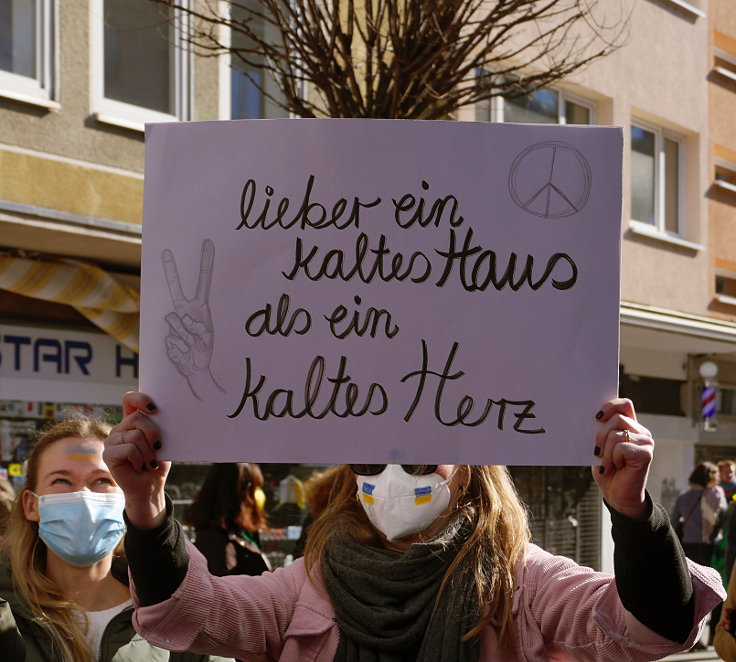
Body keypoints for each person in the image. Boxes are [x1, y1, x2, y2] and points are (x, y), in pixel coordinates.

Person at [103, 393, 725, 661]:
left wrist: (634, 512)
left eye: (422, 452)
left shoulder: (523, 585)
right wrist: (146, 504)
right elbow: (187, 611)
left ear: (471, 464)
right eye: (371, 458)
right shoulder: (307, 587)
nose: (394, 473)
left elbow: (648, 628)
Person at [0, 415, 233, 662]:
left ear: (127, 497)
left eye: (102, 480)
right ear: (31, 505)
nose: (83, 496)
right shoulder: (6, 613)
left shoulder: (175, 611)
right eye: (61, 480)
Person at [185, 462, 271, 576]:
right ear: (240, 492)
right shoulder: (215, 543)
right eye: (256, 487)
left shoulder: (244, 533)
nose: (260, 494)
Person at [670, 462, 727, 566]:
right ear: (711, 476)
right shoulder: (716, 493)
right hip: (712, 543)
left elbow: (673, 522)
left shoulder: (683, 496)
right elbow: (725, 515)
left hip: (688, 543)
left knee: (693, 578)